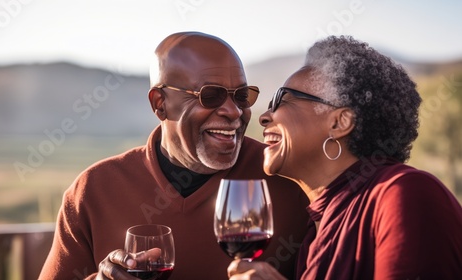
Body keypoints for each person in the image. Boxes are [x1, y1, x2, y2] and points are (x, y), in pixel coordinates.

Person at [39, 31, 309, 280]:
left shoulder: (293, 177)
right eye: (210, 96)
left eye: (240, 96)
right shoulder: (93, 190)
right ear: (160, 104)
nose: (234, 111)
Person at [228, 35, 462, 280]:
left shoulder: (404, 193)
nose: (265, 116)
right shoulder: (313, 234)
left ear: (339, 122)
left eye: (282, 99)